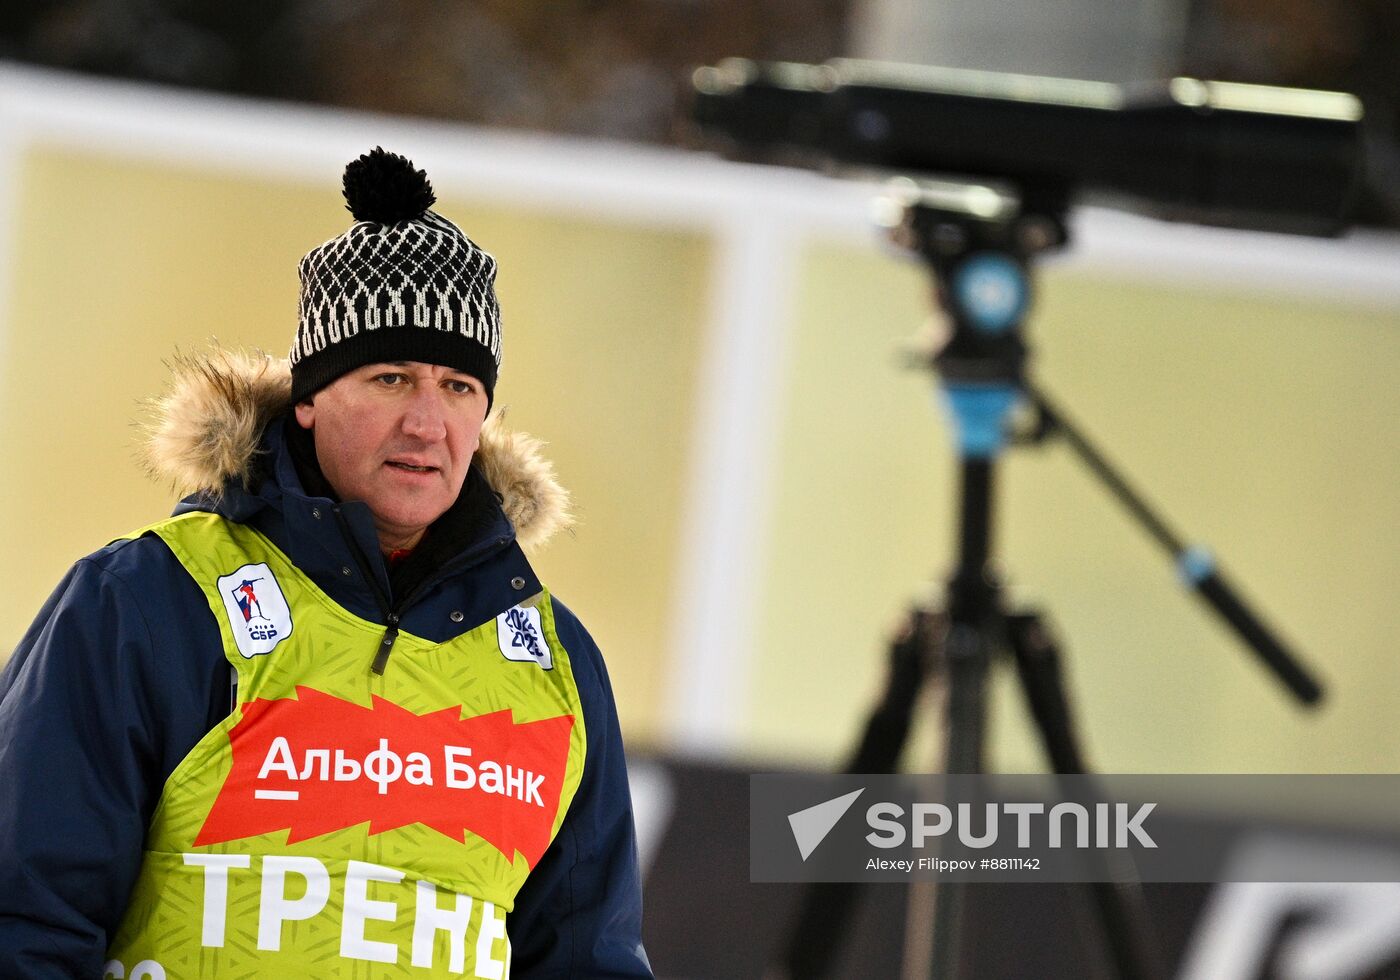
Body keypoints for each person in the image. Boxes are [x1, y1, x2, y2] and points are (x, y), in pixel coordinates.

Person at [0, 147, 653, 978]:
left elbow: (588, 957)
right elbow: (25, 916)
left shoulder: (554, 662)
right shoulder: (153, 598)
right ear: (309, 398)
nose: (427, 422)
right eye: (390, 378)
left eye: (458, 387)